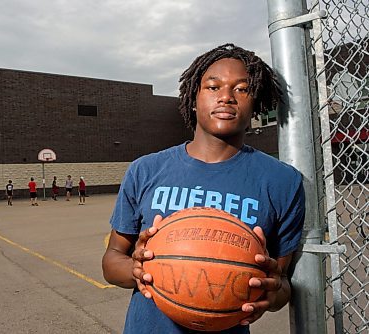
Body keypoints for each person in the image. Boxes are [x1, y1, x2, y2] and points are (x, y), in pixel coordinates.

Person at [102, 43, 305, 334]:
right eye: (213, 87)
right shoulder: (145, 170)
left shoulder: (282, 181)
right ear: (194, 98)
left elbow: (281, 283)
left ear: (256, 102)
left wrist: (273, 292)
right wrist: (136, 270)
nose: (226, 97)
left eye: (242, 89)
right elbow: (111, 260)